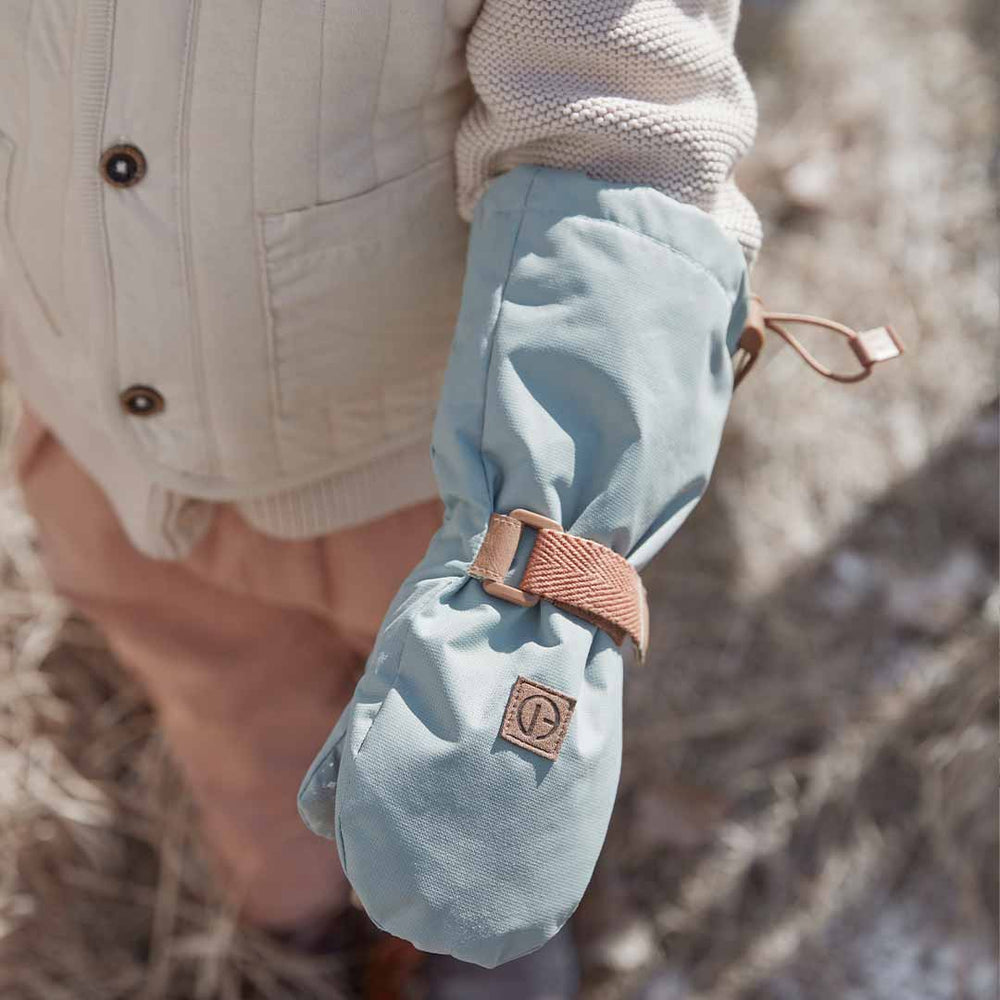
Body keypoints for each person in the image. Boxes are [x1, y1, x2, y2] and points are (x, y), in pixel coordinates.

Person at [0, 1, 759, 995]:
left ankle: (472, 938)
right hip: (110, 454)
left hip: (433, 489)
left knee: (472, 759)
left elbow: (617, 122)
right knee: (230, 713)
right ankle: (297, 929)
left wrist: (543, 559)